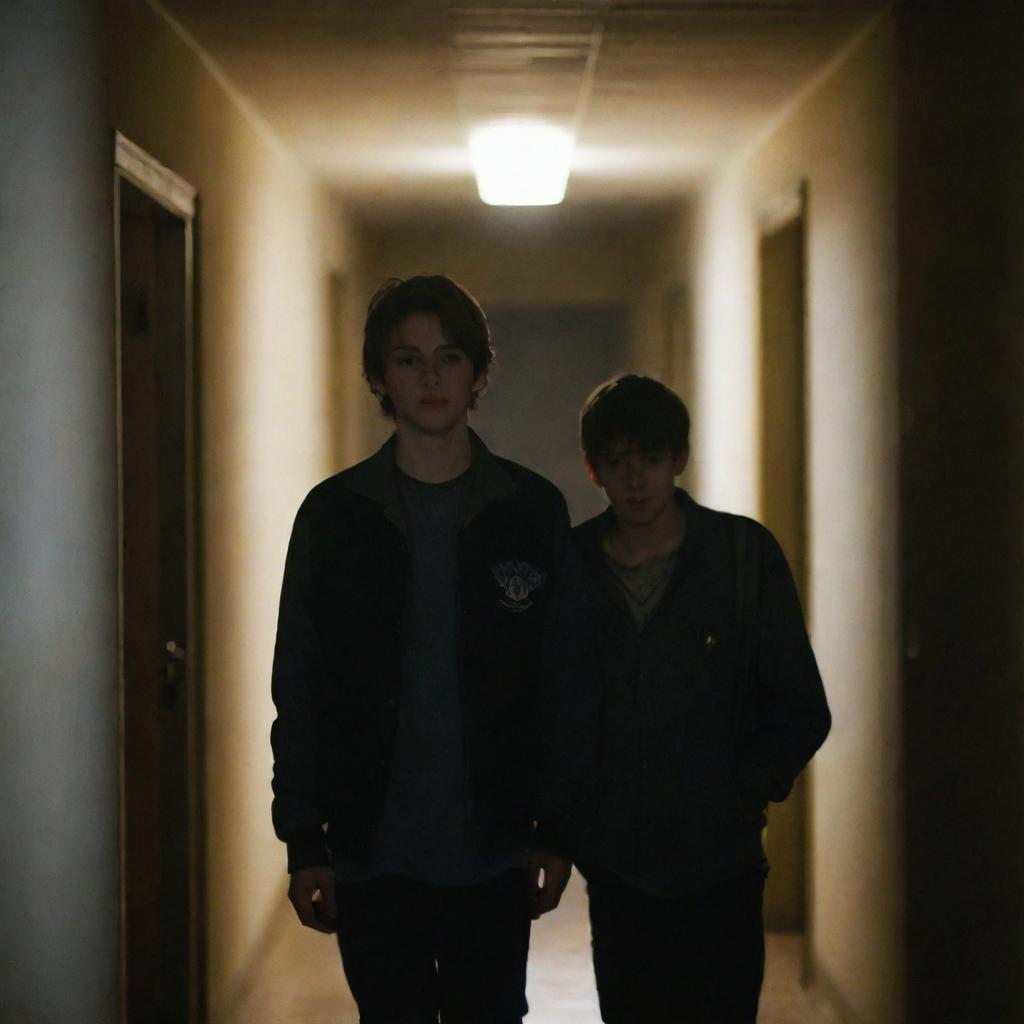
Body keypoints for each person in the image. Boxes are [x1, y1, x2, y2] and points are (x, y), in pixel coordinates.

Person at [271, 275, 571, 1024]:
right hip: (374, 851)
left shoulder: (529, 512)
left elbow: (564, 683)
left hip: (495, 847)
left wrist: (558, 831)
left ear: (478, 373)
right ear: (379, 377)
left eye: (448, 357)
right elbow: (299, 684)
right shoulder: (335, 518)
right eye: (408, 359)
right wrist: (305, 839)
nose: (431, 377)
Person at [536, 374, 831, 1024]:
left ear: (679, 460)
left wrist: (739, 790)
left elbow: (801, 706)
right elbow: (555, 711)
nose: (635, 480)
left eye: (650, 459)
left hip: (721, 866)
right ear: (594, 469)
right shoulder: (574, 569)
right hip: (617, 868)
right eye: (617, 462)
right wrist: (561, 828)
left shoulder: (741, 559)